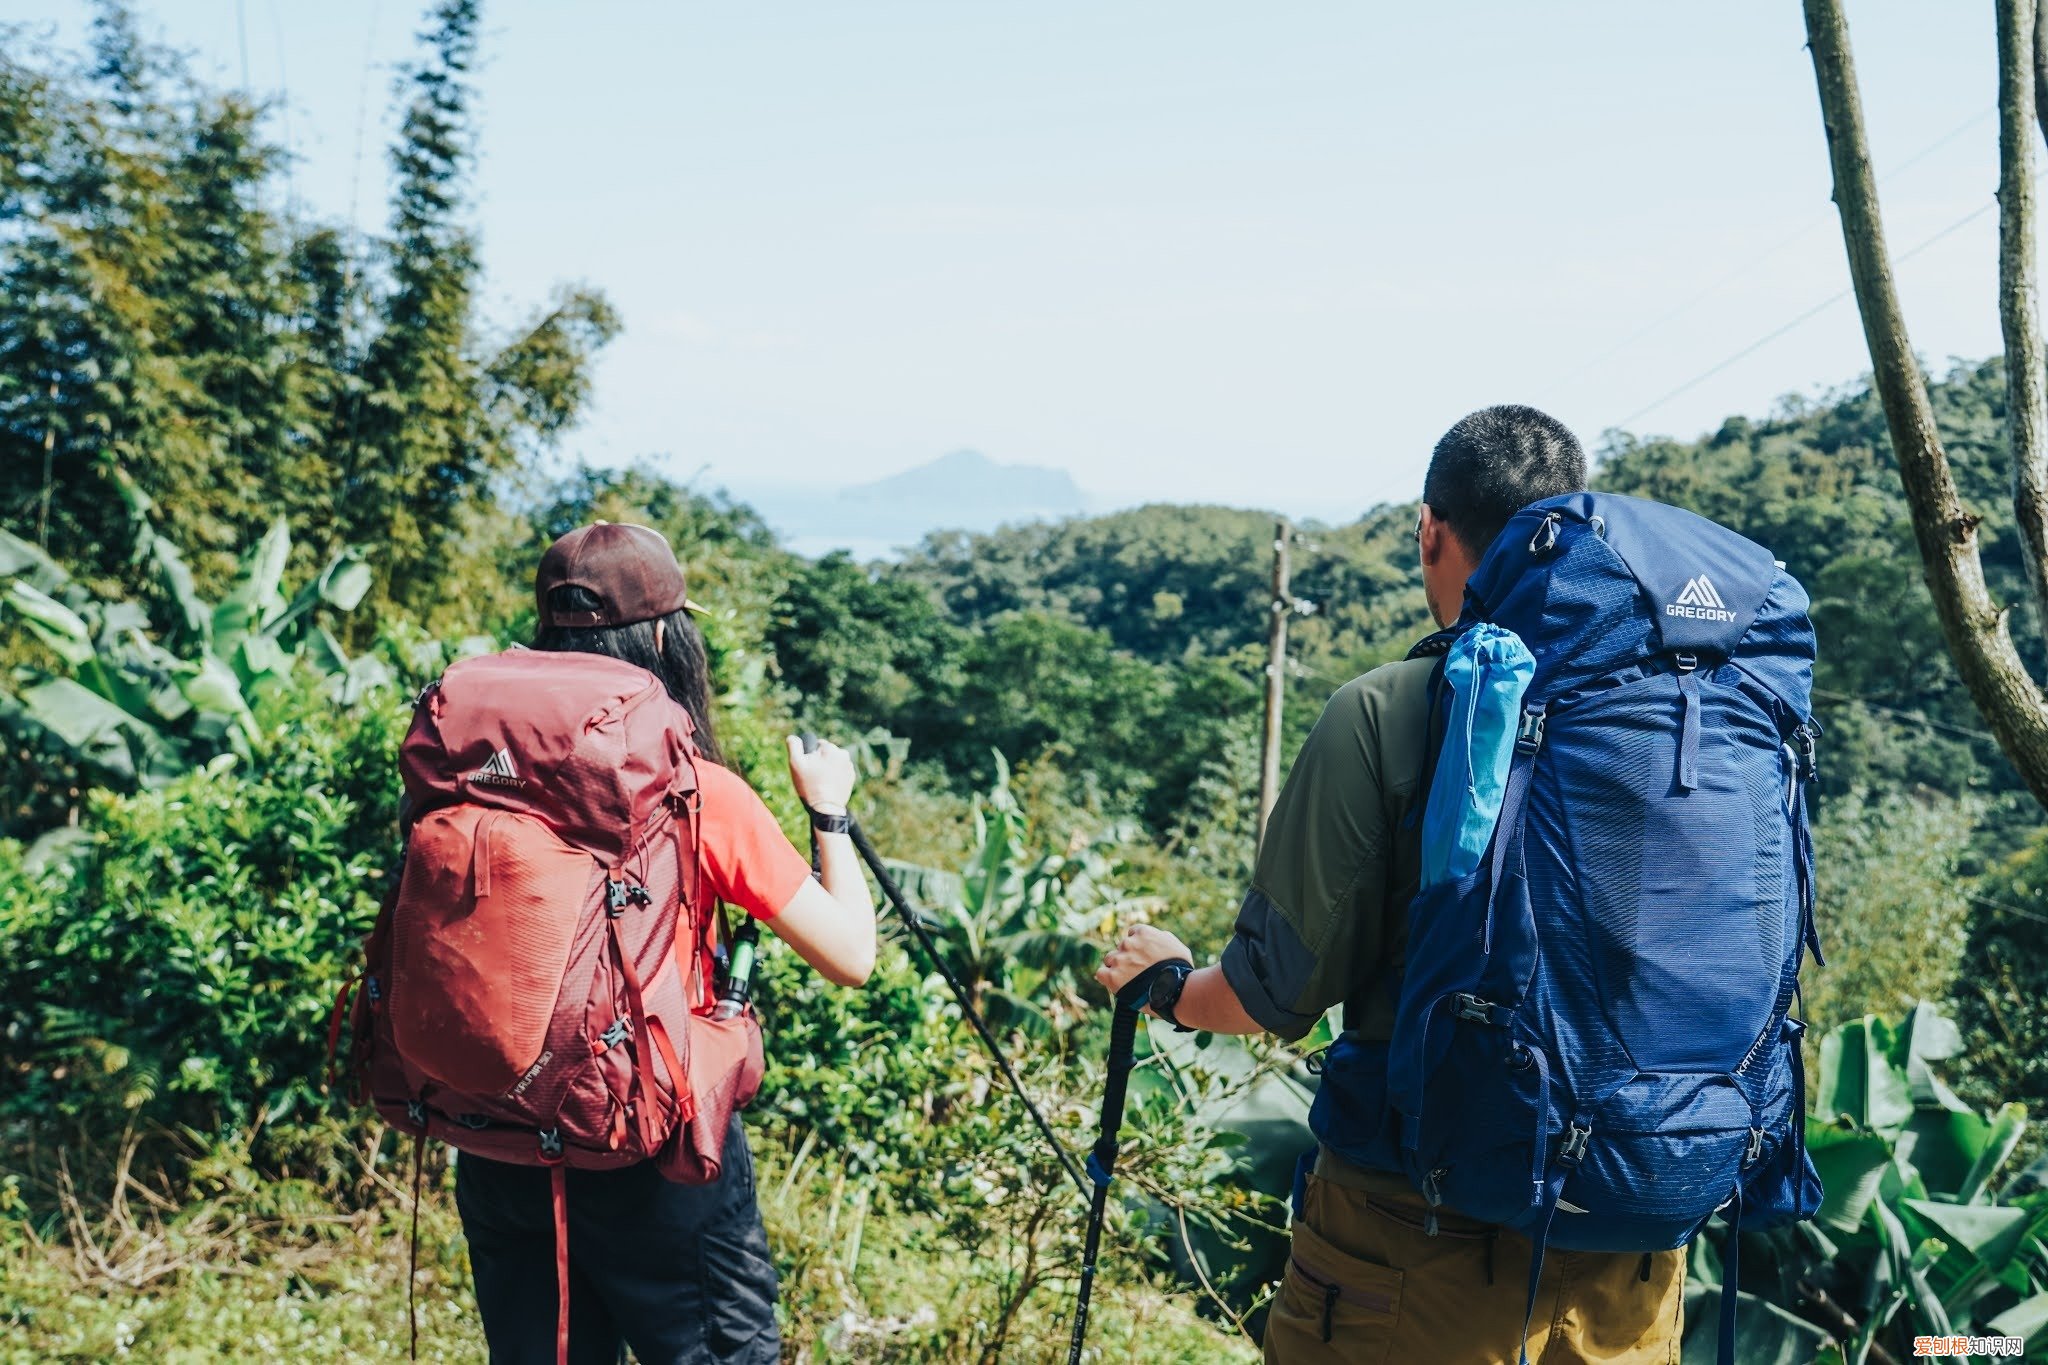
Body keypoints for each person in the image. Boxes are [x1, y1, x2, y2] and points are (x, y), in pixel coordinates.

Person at [1096, 406, 1686, 1364]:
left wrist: (1166, 982)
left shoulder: (1385, 710)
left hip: (1412, 1250)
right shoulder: (1673, 712)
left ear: (1429, 530)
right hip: (1635, 1253)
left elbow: (1267, 995)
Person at [453, 521, 878, 1365]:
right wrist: (828, 811)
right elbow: (851, 955)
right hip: (653, 1148)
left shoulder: (472, 770)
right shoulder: (694, 792)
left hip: (499, 1134)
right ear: (663, 639)